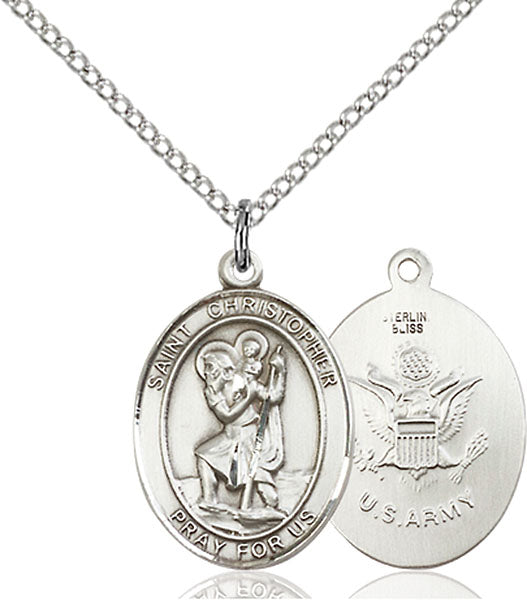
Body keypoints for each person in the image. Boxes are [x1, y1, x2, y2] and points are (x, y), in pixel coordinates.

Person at [194, 332, 286, 515]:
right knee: (203, 455)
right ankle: (210, 500)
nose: (207, 372)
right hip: (229, 437)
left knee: (260, 479)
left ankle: (270, 508)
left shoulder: (249, 383)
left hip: (249, 436)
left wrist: (281, 371)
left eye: (211, 367)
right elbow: (226, 415)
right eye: (206, 368)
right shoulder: (212, 391)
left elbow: (274, 397)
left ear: (225, 370)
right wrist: (249, 397)